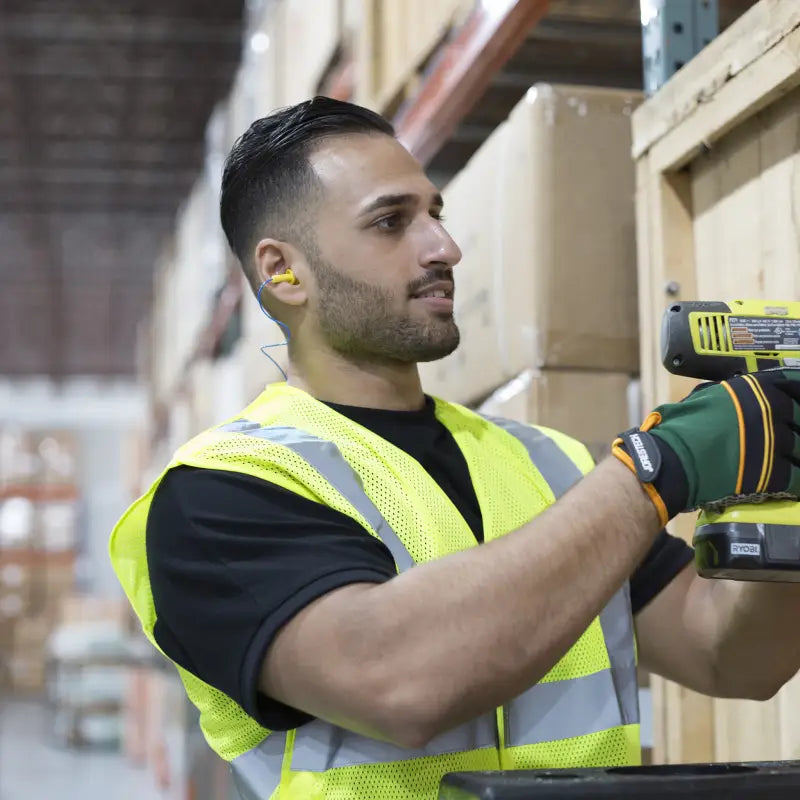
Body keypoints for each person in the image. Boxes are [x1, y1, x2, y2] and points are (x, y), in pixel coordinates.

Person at [110, 96, 800, 800]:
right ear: (284, 272)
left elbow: (731, 657)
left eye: (434, 212)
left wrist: (784, 503)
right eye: (391, 221)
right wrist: (655, 472)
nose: (444, 247)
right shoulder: (216, 496)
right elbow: (398, 681)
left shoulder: (548, 463)